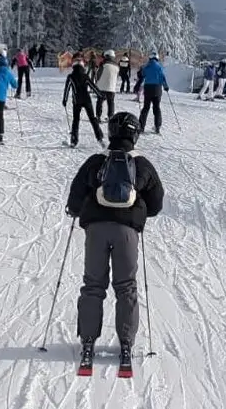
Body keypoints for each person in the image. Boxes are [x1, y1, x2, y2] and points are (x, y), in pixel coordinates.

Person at [66, 111, 165, 376]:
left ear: (110, 132)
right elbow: (156, 203)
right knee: (126, 286)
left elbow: (75, 196)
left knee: (93, 284)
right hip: (127, 231)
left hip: (96, 229)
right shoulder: (141, 164)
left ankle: (88, 342)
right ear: (135, 135)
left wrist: (76, 210)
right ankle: (126, 344)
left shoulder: (97, 161)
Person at [64, 61, 105, 146]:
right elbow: (93, 86)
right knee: (92, 118)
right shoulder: (85, 76)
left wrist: (65, 100)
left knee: (76, 120)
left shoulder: (71, 76)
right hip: (87, 100)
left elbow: (67, 88)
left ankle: (74, 141)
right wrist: (100, 95)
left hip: (76, 101)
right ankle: (99, 137)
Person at [137, 53, 168, 134]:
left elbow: (142, 75)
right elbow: (162, 77)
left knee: (146, 108)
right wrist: (166, 87)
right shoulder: (159, 67)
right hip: (157, 89)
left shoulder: (146, 66)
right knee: (157, 108)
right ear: (157, 59)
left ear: (150, 59)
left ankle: (141, 127)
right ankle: (157, 127)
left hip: (148, 88)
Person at [95, 50, 120, 119]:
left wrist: (97, 82)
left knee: (100, 101)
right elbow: (117, 76)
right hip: (112, 87)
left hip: (101, 87)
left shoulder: (103, 64)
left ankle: (98, 116)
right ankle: (110, 116)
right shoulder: (117, 66)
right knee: (111, 102)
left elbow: (98, 75)